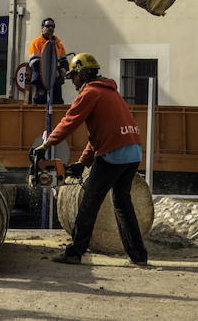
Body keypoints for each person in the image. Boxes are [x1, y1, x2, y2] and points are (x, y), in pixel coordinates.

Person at [31, 52, 148, 266]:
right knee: (122, 203)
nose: (73, 82)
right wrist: (83, 163)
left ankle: (75, 252)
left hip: (114, 154)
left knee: (89, 202)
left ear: (82, 73)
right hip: (133, 153)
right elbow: (97, 136)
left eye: (74, 76)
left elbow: (70, 121)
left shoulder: (90, 92)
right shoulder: (110, 92)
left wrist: (46, 144)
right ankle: (139, 256)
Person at [27, 17, 69, 104]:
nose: (51, 28)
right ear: (42, 28)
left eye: (53, 26)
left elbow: (64, 61)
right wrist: (53, 72)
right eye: (48, 26)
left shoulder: (58, 44)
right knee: (40, 104)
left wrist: (63, 69)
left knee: (57, 104)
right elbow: (34, 63)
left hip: (56, 82)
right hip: (41, 81)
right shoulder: (36, 43)